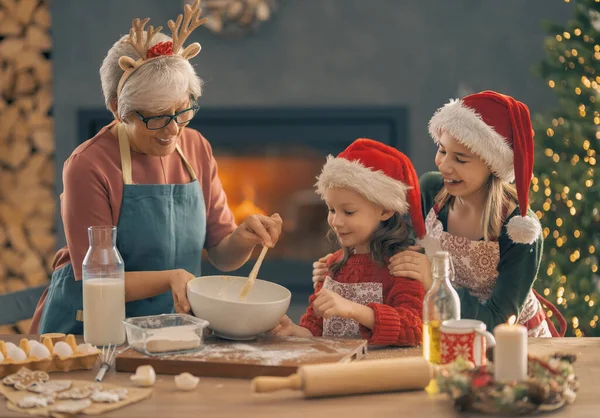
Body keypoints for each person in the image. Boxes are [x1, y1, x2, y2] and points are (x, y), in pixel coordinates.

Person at [30, 0, 282, 334]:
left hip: (171, 328)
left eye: (182, 112)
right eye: (157, 117)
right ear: (118, 109)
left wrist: (245, 236)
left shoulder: (196, 148)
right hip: (90, 328)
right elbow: (99, 280)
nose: (173, 130)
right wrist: (170, 278)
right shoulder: (88, 166)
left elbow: (222, 255)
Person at [313, 91, 566, 337]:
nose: (444, 165)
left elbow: (498, 323)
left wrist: (434, 280)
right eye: (442, 150)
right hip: (444, 330)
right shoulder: (431, 190)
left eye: (460, 159)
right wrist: (342, 269)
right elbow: (399, 255)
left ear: (493, 165)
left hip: (510, 343)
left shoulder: (519, 230)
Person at [271, 139, 426, 346]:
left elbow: (414, 330)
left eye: (349, 211)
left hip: (378, 372)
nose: (336, 221)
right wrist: (293, 330)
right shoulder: (332, 266)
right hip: (334, 371)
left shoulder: (401, 266)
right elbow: (315, 330)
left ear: (385, 210)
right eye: (332, 209)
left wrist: (353, 310)